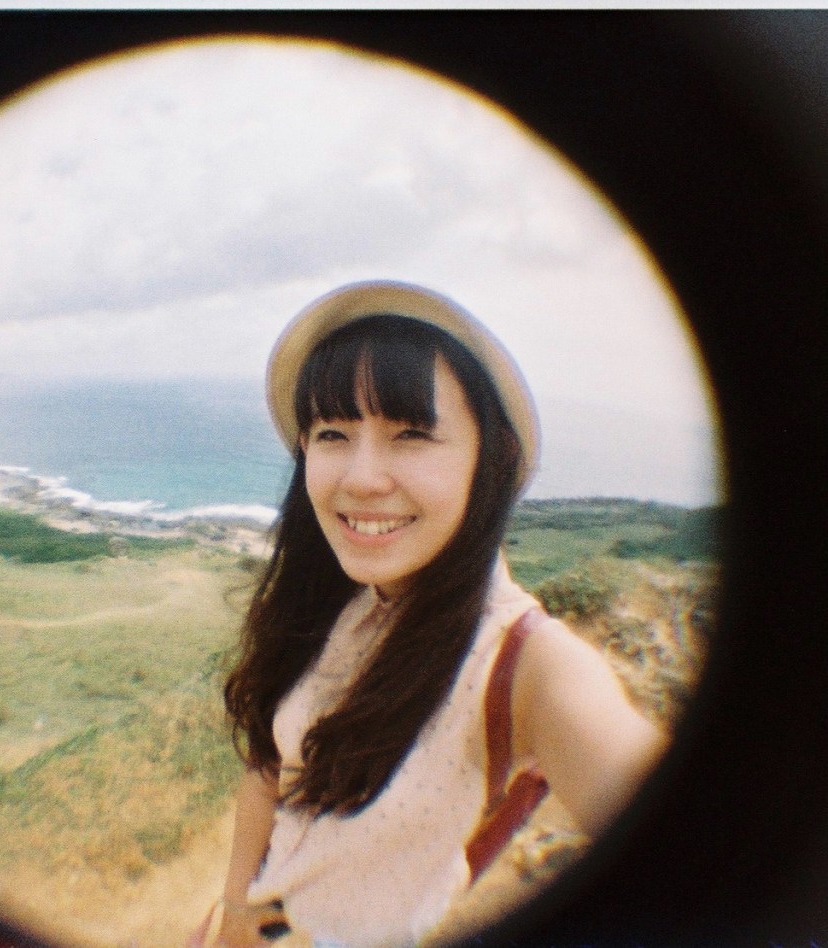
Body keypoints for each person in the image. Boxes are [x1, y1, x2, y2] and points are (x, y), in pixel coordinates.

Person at [192, 281, 666, 948]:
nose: (361, 478)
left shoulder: (529, 664)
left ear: (492, 458)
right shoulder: (337, 598)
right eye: (333, 433)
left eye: (412, 434)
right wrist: (235, 909)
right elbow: (272, 763)